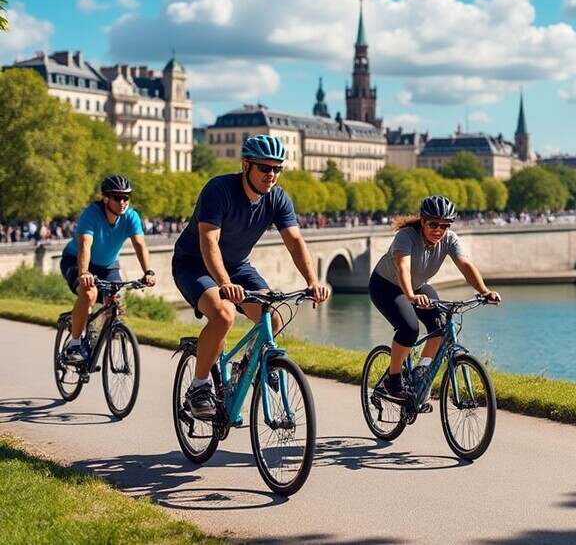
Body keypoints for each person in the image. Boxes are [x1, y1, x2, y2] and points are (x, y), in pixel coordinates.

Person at [172, 134, 330, 420]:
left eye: (277, 169)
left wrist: (312, 281)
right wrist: (224, 284)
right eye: (264, 168)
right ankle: (199, 386)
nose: (271, 175)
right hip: (193, 264)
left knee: (274, 318)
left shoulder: (277, 198)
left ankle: (246, 370)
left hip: (237, 267)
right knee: (223, 315)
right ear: (246, 165)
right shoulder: (218, 190)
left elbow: (294, 241)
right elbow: (209, 242)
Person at [369, 195, 500, 404]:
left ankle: (420, 373)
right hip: (386, 287)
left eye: (445, 225)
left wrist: (484, 291)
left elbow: (465, 265)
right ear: (423, 221)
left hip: (418, 287)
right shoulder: (406, 237)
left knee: (440, 325)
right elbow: (403, 267)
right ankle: (393, 379)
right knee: (409, 329)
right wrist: (411, 295)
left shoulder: (449, 239)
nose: (439, 230)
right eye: (433, 224)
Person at [60, 175, 157, 363]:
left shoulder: (131, 216)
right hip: (76, 261)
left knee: (116, 302)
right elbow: (85, 246)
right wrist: (84, 272)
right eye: (117, 197)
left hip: (108, 265)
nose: (122, 202)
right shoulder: (91, 214)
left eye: (126, 198)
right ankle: (74, 343)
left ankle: (98, 332)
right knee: (89, 294)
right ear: (106, 198)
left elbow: (139, 245)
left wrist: (148, 272)